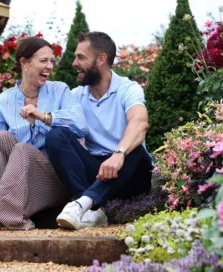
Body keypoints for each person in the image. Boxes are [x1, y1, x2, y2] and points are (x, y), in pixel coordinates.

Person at [0, 36, 88, 231]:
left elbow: (81, 125)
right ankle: (12, 212)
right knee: (1, 139)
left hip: (53, 179)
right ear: (25, 63)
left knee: (22, 150)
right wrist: (4, 185)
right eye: (43, 61)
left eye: (52, 61)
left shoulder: (60, 90)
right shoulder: (3, 100)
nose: (49, 66)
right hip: (19, 182)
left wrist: (44, 117)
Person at [46, 31, 154, 230]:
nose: (74, 63)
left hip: (130, 173)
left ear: (101, 59)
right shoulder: (75, 95)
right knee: (56, 135)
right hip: (97, 170)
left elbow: (140, 122)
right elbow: (59, 129)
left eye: (81, 57)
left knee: (136, 150)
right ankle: (89, 209)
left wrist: (119, 154)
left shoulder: (128, 89)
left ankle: (82, 204)